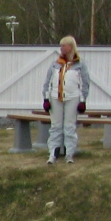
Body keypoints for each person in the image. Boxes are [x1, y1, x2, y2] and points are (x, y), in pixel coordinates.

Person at [41, 36, 90, 164]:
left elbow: (85, 83)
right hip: (55, 97)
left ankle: (69, 153)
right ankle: (53, 153)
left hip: (72, 98)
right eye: (61, 45)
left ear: (71, 47)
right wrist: (46, 99)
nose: (61, 48)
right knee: (56, 126)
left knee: (69, 126)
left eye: (64, 45)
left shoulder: (80, 64)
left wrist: (83, 100)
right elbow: (47, 82)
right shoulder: (55, 64)